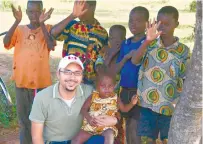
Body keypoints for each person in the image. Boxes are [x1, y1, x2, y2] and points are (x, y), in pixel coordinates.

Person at [131, 6, 190, 144]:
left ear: (176, 24)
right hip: (147, 105)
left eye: (167, 24)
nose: (162, 27)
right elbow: (135, 60)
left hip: (169, 106)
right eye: (159, 22)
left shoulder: (184, 51)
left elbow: (185, 77)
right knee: (146, 140)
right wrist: (147, 41)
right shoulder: (149, 43)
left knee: (166, 140)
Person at [29, 55, 118, 144]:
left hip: (81, 139)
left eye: (77, 73)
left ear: (82, 76)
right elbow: (36, 137)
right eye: (67, 72)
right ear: (58, 74)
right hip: (55, 141)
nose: (72, 77)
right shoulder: (42, 97)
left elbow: (111, 105)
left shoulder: (90, 92)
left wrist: (115, 120)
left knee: (102, 140)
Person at [3, 1, 55, 143]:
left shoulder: (48, 28)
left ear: (42, 11)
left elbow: (51, 45)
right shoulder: (19, 29)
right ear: (26, 12)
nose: (34, 15)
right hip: (22, 83)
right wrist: (16, 21)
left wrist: (43, 24)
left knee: (40, 120)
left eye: (37, 11)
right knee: (24, 121)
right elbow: (6, 43)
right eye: (31, 12)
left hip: (41, 85)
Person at [72, 65, 138, 144]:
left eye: (110, 86)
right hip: (91, 126)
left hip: (107, 127)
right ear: (97, 86)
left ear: (114, 86)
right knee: (76, 140)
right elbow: (83, 109)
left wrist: (132, 103)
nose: (107, 88)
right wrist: (89, 118)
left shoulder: (115, 98)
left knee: (109, 136)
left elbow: (124, 109)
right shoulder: (93, 96)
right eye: (103, 86)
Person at [51, 0, 108, 85]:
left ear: (93, 6)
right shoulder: (72, 25)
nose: (77, 10)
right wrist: (72, 16)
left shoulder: (102, 33)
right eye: (76, 6)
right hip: (70, 79)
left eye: (81, 6)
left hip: (90, 82)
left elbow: (103, 57)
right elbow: (54, 33)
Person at [115, 6, 149, 144]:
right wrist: (125, 57)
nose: (133, 24)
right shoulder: (126, 43)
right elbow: (117, 68)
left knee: (134, 128)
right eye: (131, 20)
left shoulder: (148, 43)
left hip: (139, 92)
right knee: (124, 126)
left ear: (147, 24)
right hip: (124, 90)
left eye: (138, 21)